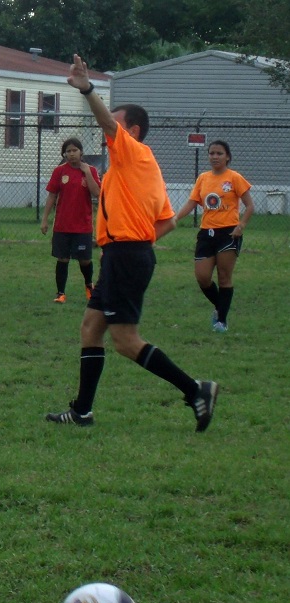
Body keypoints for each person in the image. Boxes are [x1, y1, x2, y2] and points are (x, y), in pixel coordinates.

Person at [45, 55, 218, 432]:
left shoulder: (133, 152)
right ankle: (82, 411)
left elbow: (106, 121)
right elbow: (168, 221)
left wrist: (88, 88)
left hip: (125, 254)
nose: (107, 130)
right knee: (91, 327)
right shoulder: (135, 167)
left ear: (133, 131)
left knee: (125, 340)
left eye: (116, 125)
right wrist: (138, 246)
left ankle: (196, 390)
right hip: (125, 254)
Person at [174, 140, 254, 333]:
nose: (215, 157)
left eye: (219, 153)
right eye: (211, 153)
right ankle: (221, 306)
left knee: (224, 277)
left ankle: (221, 321)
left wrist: (241, 225)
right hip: (206, 234)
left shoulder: (234, 178)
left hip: (228, 233)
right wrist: (174, 218)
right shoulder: (203, 178)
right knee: (202, 277)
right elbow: (192, 202)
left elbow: (250, 206)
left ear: (227, 156)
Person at [40, 138, 101, 303]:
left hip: (83, 225)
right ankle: (60, 293)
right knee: (63, 259)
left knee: (85, 259)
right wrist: (45, 219)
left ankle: (89, 286)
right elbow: (52, 195)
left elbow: (97, 193)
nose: (71, 154)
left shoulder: (91, 170)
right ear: (64, 154)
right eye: (68, 151)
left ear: (81, 152)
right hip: (62, 225)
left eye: (74, 150)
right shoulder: (59, 171)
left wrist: (87, 172)